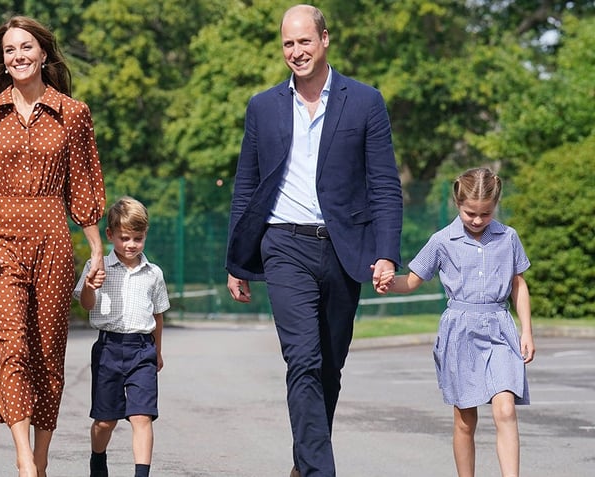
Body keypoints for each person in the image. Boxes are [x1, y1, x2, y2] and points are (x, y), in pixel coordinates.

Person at [224, 4, 403, 476]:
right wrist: (237, 261)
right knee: (302, 359)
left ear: (325, 39)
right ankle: (321, 471)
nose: (296, 51)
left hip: (345, 251)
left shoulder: (365, 101)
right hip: (283, 245)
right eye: (288, 43)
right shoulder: (263, 106)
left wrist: (386, 253)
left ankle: (304, 466)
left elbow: (384, 183)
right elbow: (247, 184)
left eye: (304, 41)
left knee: (328, 368)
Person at [0, 15, 106, 477]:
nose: (18, 56)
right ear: (1, 61)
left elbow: (83, 186)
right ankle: (24, 458)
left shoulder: (73, 113)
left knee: (48, 350)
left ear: (43, 53)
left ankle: (41, 459)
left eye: (26, 48)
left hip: (53, 240)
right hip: (2, 240)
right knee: (14, 345)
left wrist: (97, 250)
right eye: (9, 50)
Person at [375, 167, 534, 477]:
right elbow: (412, 281)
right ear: (457, 204)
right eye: (470, 212)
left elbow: (519, 285)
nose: (477, 220)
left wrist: (526, 331)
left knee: (505, 409)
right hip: (459, 332)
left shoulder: (508, 237)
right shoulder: (442, 240)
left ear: (495, 206)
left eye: (485, 214)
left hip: (500, 328)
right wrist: (386, 283)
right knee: (465, 420)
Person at [74, 196, 170, 477]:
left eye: (137, 238)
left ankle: (141, 473)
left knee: (142, 416)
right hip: (108, 349)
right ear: (110, 234)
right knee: (105, 421)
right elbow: (86, 304)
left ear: (145, 236)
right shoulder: (98, 266)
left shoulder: (153, 274)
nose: (131, 245)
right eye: (124, 237)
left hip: (143, 350)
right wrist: (91, 285)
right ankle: (97, 458)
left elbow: (158, 316)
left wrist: (158, 352)